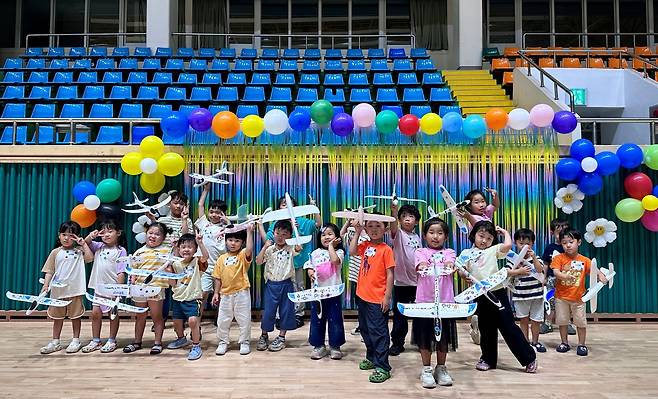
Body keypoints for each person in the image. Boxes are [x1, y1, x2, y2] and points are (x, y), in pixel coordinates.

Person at [456, 221, 537, 373]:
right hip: (479, 295)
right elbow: (460, 269)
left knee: (508, 327)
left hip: (498, 292)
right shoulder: (466, 253)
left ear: (493, 240)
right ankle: (488, 359)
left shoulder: (493, 250)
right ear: (474, 236)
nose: (484, 240)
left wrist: (505, 232)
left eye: (488, 238)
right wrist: (463, 276)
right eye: (481, 236)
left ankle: (529, 358)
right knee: (486, 329)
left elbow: (507, 246)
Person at [261, 195, 321, 327]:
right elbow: (268, 239)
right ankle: (279, 315)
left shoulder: (302, 221)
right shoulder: (276, 224)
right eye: (283, 204)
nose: (287, 206)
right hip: (280, 266)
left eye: (290, 204)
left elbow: (318, 224)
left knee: (298, 287)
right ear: (279, 208)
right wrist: (260, 224)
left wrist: (315, 208)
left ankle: (298, 314)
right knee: (280, 292)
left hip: (298, 262)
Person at [350, 213, 395, 383]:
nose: (374, 229)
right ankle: (371, 357)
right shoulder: (365, 245)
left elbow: (390, 275)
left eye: (378, 226)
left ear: (385, 228)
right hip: (362, 296)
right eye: (370, 226)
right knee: (365, 330)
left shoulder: (386, 249)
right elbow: (352, 251)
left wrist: (387, 297)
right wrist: (357, 231)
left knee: (379, 333)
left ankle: (383, 366)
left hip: (378, 299)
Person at [413, 218, 458, 388]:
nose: (435, 236)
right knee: (424, 337)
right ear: (425, 235)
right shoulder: (420, 251)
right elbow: (420, 265)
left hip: (445, 302)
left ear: (445, 236)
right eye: (431, 232)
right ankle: (426, 369)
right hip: (424, 301)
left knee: (443, 337)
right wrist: (424, 264)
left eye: (440, 233)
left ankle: (441, 368)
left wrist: (448, 264)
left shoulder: (450, 252)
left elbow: (450, 264)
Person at [551, 228, 608, 357]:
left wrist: (601, 275)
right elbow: (555, 272)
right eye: (564, 242)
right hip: (561, 297)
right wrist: (564, 276)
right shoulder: (559, 258)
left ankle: (581, 344)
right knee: (562, 321)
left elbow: (595, 270)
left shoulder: (585, 260)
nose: (568, 245)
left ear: (579, 242)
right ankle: (564, 342)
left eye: (571, 241)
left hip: (579, 298)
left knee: (580, 322)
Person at [39, 221, 94, 354]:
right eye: (64, 234)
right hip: (57, 292)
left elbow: (90, 258)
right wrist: (46, 285)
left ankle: (76, 340)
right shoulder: (55, 252)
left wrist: (84, 243)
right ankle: (55, 342)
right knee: (57, 318)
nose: (66, 238)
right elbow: (49, 271)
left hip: (75, 290)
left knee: (75, 317)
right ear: (59, 235)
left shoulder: (79, 251)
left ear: (76, 236)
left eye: (70, 235)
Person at [123, 222, 172, 355]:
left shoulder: (166, 251)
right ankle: (137, 342)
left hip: (156, 288)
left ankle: (157, 343)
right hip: (139, 288)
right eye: (150, 233)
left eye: (157, 234)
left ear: (163, 238)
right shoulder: (140, 251)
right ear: (145, 234)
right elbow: (133, 270)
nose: (153, 236)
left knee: (157, 317)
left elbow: (173, 264)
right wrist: (132, 286)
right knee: (140, 316)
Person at [460, 188, 500, 345]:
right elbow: (473, 222)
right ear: (470, 206)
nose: (481, 204)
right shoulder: (473, 217)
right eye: (476, 202)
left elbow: (495, 205)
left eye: (482, 201)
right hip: (477, 254)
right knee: (478, 286)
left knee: (490, 284)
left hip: (490, 253)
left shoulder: (487, 214)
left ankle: (482, 319)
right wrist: (465, 213)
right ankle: (477, 318)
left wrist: (495, 196)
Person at [81, 220, 128, 353]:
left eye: (110, 231)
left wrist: (119, 290)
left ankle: (112, 340)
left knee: (112, 314)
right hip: (98, 288)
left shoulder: (120, 251)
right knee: (96, 314)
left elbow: (121, 271)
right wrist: (92, 235)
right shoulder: (98, 246)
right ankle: (96, 340)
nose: (106, 235)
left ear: (118, 233)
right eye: (104, 232)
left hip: (112, 289)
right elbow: (86, 242)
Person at [256, 220, 301, 352]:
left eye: (285, 234)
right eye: (277, 233)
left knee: (286, 312)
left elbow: (299, 248)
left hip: (286, 284)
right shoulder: (269, 249)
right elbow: (258, 261)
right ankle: (264, 335)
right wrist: (264, 247)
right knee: (268, 312)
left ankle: (281, 337)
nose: (280, 236)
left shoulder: (291, 248)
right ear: (273, 233)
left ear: (290, 236)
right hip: (271, 285)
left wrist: (296, 233)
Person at [305, 223, 346, 360]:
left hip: (334, 292)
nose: (326, 237)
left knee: (335, 320)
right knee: (317, 320)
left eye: (330, 234)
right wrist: (310, 272)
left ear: (336, 237)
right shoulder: (315, 253)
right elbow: (309, 266)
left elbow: (335, 261)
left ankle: (335, 346)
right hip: (317, 295)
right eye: (323, 235)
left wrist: (330, 247)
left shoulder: (339, 252)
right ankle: (319, 346)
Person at [166, 232, 209, 360]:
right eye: (183, 247)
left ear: (195, 249)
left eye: (190, 247)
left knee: (193, 321)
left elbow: (206, 257)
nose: (186, 249)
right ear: (179, 249)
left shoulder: (197, 262)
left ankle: (196, 346)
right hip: (178, 298)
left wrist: (200, 242)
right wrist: (167, 272)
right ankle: (181, 339)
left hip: (193, 298)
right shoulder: (175, 264)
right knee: (176, 323)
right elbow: (173, 283)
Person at [212, 225, 254, 356]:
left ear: (241, 243)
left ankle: (244, 342)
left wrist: (249, 232)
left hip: (241, 292)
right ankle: (223, 341)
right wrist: (216, 293)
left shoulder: (242, 255)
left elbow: (249, 250)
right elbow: (217, 277)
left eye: (237, 241)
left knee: (244, 319)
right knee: (223, 320)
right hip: (225, 294)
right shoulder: (221, 258)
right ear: (225, 241)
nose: (233, 243)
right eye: (230, 240)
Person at [389, 203, 421, 356]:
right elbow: (393, 226)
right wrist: (394, 212)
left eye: (411, 216)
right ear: (400, 220)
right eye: (404, 217)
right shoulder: (398, 234)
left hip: (418, 282)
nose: (407, 219)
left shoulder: (418, 237)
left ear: (416, 221)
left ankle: (422, 341)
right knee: (399, 315)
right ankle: (397, 343)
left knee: (420, 313)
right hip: (401, 283)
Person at [507, 228, 546, 353]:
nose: (524, 246)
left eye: (527, 243)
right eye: (521, 243)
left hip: (537, 295)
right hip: (520, 295)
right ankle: (525, 343)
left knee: (536, 320)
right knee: (523, 320)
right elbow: (507, 272)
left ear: (532, 244)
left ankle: (535, 342)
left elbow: (540, 270)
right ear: (515, 244)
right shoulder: (513, 259)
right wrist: (519, 271)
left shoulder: (537, 258)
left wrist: (534, 258)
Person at [196, 184, 230, 323]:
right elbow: (200, 205)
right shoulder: (204, 223)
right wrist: (206, 190)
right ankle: (197, 320)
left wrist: (227, 222)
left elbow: (235, 234)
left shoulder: (227, 228)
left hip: (220, 267)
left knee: (221, 295)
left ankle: (219, 319)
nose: (214, 214)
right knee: (203, 294)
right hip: (204, 266)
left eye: (218, 212)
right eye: (212, 212)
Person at [539, 218, 576, 335]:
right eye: (558, 232)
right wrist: (543, 278)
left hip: (567, 280)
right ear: (552, 233)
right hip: (551, 280)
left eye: (564, 232)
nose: (561, 235)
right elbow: (545, 264)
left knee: (567, 301)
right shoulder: (550, 248)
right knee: (550, 301)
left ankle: (568, 323)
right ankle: (548, 323)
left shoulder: (570, 248)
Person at [340, 219, 369, 336]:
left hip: (367, 276)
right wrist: (347, 222)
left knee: (367, 303)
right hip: (355, 275)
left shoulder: (370, 235)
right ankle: (361, 326)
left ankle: (366, 328)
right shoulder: (352, 234)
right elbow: (341, 235)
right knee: (359, 303)